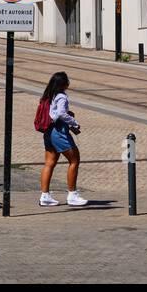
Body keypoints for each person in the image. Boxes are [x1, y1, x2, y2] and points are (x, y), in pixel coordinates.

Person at [38, 71, 88, 207]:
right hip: (58, 132)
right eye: (67, 81)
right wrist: (74, 122)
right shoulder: (61, 97)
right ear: (63, 84)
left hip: (48, 131)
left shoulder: (49, 95)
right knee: (74, 160)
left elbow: (53, 113)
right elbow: (60, 114)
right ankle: (72, 194)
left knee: (49, 163)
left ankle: (45, 196)